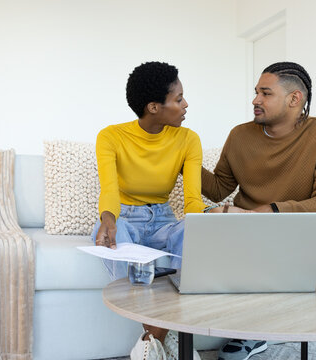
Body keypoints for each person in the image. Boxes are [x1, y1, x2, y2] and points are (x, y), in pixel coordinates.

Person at [202, 62, 316, 360]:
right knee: (201, 225)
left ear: (295, 99)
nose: (255, 100)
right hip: (246, 235)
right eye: (256, 92)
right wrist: (180, 158)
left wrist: (274, 209)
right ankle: (248, 332)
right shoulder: (240, 136)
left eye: (265, 93)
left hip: (297, 236)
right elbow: (218, 188)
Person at [92, 61, 205, 360]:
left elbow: (193, 201)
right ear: (154, 107)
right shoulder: (111, 137)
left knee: (193, 232)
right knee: (118, 241)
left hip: (165, 220)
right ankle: (171, 338)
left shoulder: (188, 139)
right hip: (125, 218)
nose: (185, 104)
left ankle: (149, 341)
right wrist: (108, 219)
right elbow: (110, 190)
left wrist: (208, 222)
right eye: (178, 99)